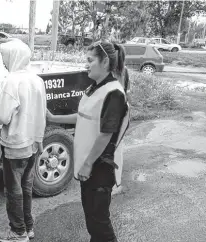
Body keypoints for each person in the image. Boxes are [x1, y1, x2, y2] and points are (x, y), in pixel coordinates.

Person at [47, 40, 130, 242]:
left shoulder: (114, 93)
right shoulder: (95, 88)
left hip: (100, 167)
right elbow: (83, 116)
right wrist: (53, 119)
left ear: (104, 63)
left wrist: (87, 164)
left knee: (100, 223)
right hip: (91, 166)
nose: (86, 64)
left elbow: (105, 134)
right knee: (92, 221)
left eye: (90, 60)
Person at [0, 40, 47, 242]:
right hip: (33, 144)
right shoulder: (37, 80)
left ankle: (17, 232)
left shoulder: (12, 81)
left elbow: (1, 116)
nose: (4, 62)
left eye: (5, 57)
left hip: (15, 144)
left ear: (13, 56)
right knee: (26, 187)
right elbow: (42, 113)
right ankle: (28, 227)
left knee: (13, 190)